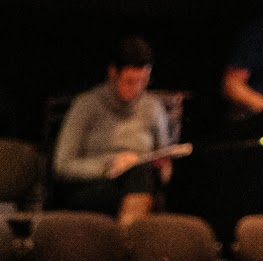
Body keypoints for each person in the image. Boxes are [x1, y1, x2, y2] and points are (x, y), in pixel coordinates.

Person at [52, 36, 178, 227]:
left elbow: (162, 154)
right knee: (138, 177)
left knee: (142, 174)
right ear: (113, 73)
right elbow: (62, 165)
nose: (136, 88)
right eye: (130, 81)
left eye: (143, 81)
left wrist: (164, 166)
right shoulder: (87, 105)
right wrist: (109, 165)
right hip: (96, 186)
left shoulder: (153, 107)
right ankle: (129, 244)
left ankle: (127, 240)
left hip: (141, 182)